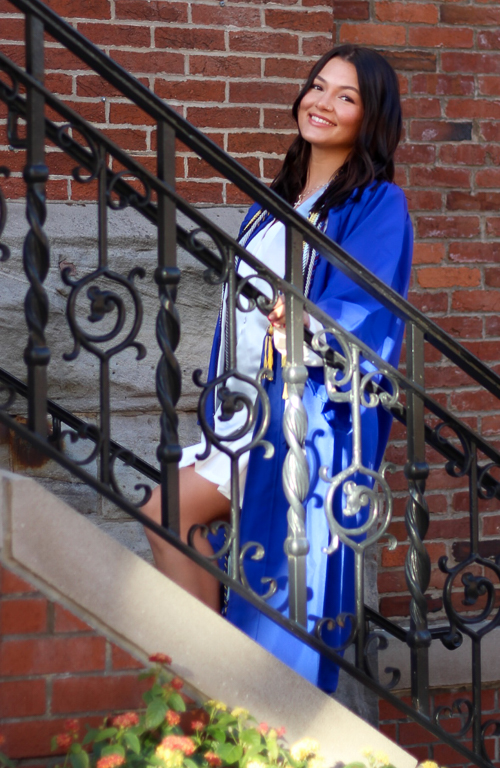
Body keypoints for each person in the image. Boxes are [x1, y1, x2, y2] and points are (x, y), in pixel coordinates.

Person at [143, 44, 413, 693]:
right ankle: (218, 678)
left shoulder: (377, 204)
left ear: (368, 116)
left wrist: (304, 320)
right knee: (165, 511)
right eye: (317, 87)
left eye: (344, 96)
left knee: (289, 584)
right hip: (247, 405)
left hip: (308, 412)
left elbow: (366, 306)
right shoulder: (274, 201)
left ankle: (262, 709)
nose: (321, 103)